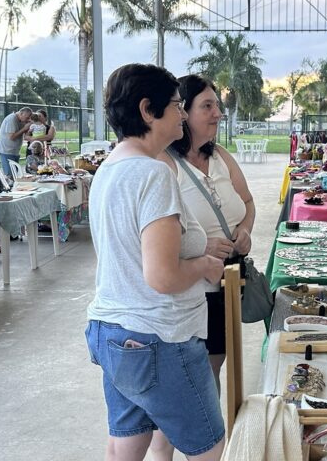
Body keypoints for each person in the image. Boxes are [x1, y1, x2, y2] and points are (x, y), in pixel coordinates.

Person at [85, 63, 225, 461]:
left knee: (127, 444)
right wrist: (203, 265)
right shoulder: (152, 174)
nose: (182, 114)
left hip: (113, 329)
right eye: (177, 105)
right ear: (148, 110)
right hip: (158, 335)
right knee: (209, 447)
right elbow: (162, 277)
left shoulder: (109, 169)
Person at [154, 74, 255, 460]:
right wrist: (199, 248)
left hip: (228, 284)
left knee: (211, 370)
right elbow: (156, 234)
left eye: (217, 105)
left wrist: (244, 231)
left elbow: (247, 202)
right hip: (190, 290)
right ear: (184, 112)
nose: (217, 113)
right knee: (184, 386)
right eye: (207, 106)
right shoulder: (165, 164)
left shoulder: (221, 155)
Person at [0, 107, 32, 179]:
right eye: (27, 117)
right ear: (21, 113)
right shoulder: (11, 119)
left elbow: (25, 134)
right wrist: (24, 128)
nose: (27, 119)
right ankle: (9, 188)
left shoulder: (21, 121)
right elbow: (12, 137)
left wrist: (29, 128)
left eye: (29, 118)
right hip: (6, 151)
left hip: (14, 152)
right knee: (10, 175)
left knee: (15, 174)